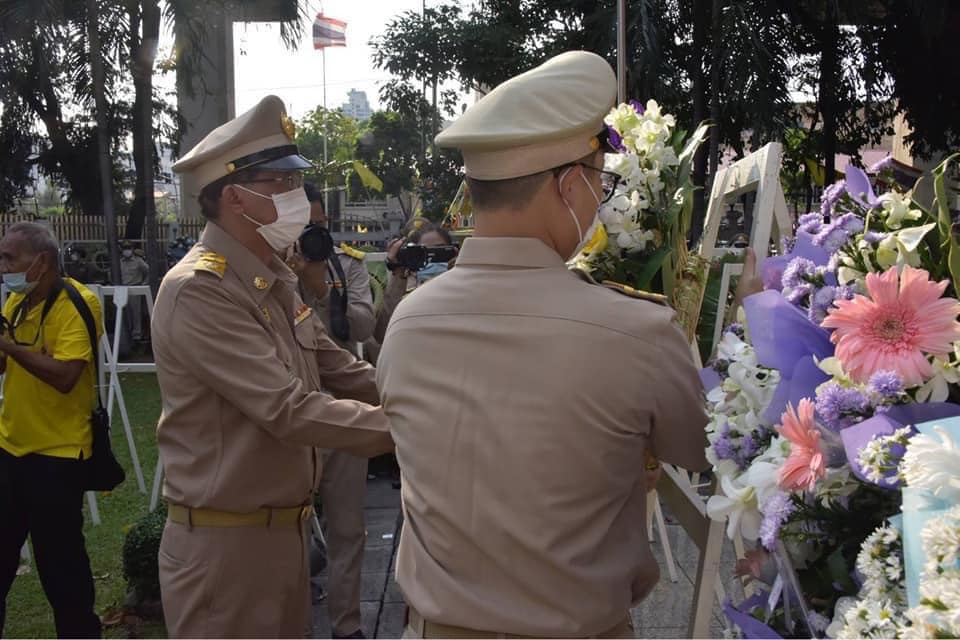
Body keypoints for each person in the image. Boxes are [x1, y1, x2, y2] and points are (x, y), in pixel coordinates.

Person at [376, 51, 710, 638]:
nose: (599, 199)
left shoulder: (408, 322)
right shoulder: (638, 334)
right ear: (569, 185)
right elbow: (709, 450)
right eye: (599, 181)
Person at [152, 95, 394, 638]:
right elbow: (287, 409)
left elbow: (342, 370)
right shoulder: (200, 290)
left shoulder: (275, 279)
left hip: (285, 536)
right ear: (235, 197)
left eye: (296, 182)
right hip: (227, 551)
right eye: (282, 183)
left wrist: (430, 395)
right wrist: (415, 427)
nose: (297, 197)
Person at [0, 222, 103, 638]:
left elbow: (66, 376)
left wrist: (9, 346)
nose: (2, 266)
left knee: (63, 573)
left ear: (40, 262)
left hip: (58, 456)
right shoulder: (16, 302)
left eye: (9, 258)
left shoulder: (78, 302)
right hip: (10, 447)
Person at [289, 182, 375, 639]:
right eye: (305, 226)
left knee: (347, 527)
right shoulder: (271, 273)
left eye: (319, 224)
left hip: (343, 409)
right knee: (288, 528)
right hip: (292, 415)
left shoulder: (348, 266)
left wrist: (323, 289)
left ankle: (347, 625)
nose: (313, 235)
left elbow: (362, 326)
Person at [119, 240, 149, 344]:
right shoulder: (120, 262)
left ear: (132, 249)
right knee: (125, 313)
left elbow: (148, 271)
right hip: (122, 289)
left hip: (135, 288)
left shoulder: (138, 261)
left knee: (136, 312)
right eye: (125, 248)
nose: (126, 250)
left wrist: (144, 283)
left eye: (128, 248)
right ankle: (127, 334)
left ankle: (137, 335)